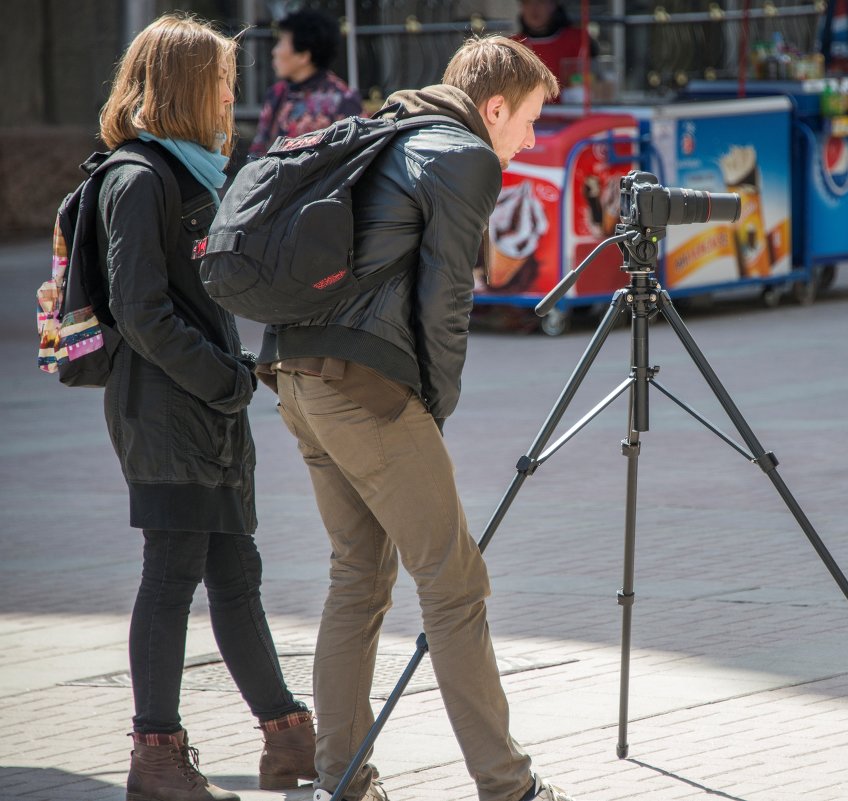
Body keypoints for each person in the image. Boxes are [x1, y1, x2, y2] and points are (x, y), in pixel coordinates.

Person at [256, 35, 580, 801]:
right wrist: (431, 408)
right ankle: (509, 788)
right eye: (529, 121)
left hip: (295, 374)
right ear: (493, 106)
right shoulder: (465, 155)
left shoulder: (388, 127)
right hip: (364, 390)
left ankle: (342, 779)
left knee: (358, 578)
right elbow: (447, 300)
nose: (530, 140)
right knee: (454, 583)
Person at [96, 13, 316, 801]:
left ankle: (290, 742)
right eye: (222, 79)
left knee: (236, 571)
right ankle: (155, 758)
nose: (234, 94)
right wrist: (226, 379)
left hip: (205, 407)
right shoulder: (139, 177)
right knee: (173, 570)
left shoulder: (192, 172)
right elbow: (140, 309)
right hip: (166, 407)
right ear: (189, 86)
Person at [248, 9, 362, 157]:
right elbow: (258, 151)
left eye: (281, 43)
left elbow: (357, 157)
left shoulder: (343, 99)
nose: (274, 51)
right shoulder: (276, 93)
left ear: (303, 56)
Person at [510, 0, 597, 101]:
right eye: (527, 3)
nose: (534, 9)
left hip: (570, 112)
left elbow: (595, 82)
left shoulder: (579, 39)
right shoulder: (513, 45)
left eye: (541, 2)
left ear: (554, 5)